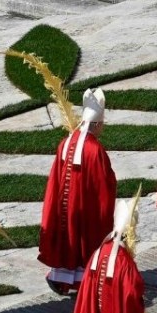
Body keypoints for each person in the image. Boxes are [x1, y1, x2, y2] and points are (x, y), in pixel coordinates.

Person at [40, 89, 117, 295]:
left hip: (64, 207)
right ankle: (83, 283)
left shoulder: (66, 143)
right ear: (98, 124)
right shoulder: (95, 150)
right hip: (84, 209)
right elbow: (104, 185)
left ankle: (61, 279)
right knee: (84, 243)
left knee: (67, 241)